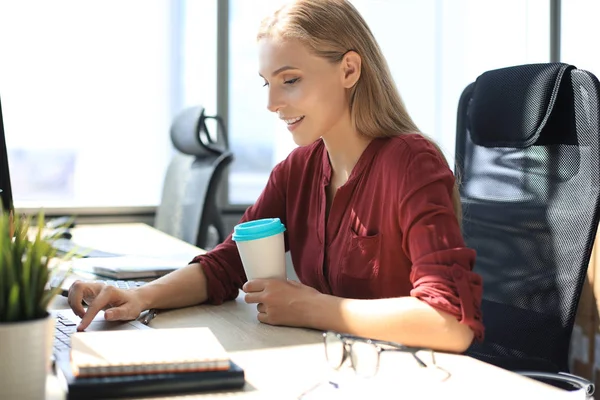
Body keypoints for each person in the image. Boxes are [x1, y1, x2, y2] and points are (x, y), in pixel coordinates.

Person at [68, 0, 483, 353]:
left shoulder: (410, 162)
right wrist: (139, 297)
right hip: (336, 367)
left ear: (349, 71)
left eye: (290, 80)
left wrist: (312, 307)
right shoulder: (297, 170)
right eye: (267, 83)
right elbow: (225, 265)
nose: (270, 102)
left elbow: (449, 322)